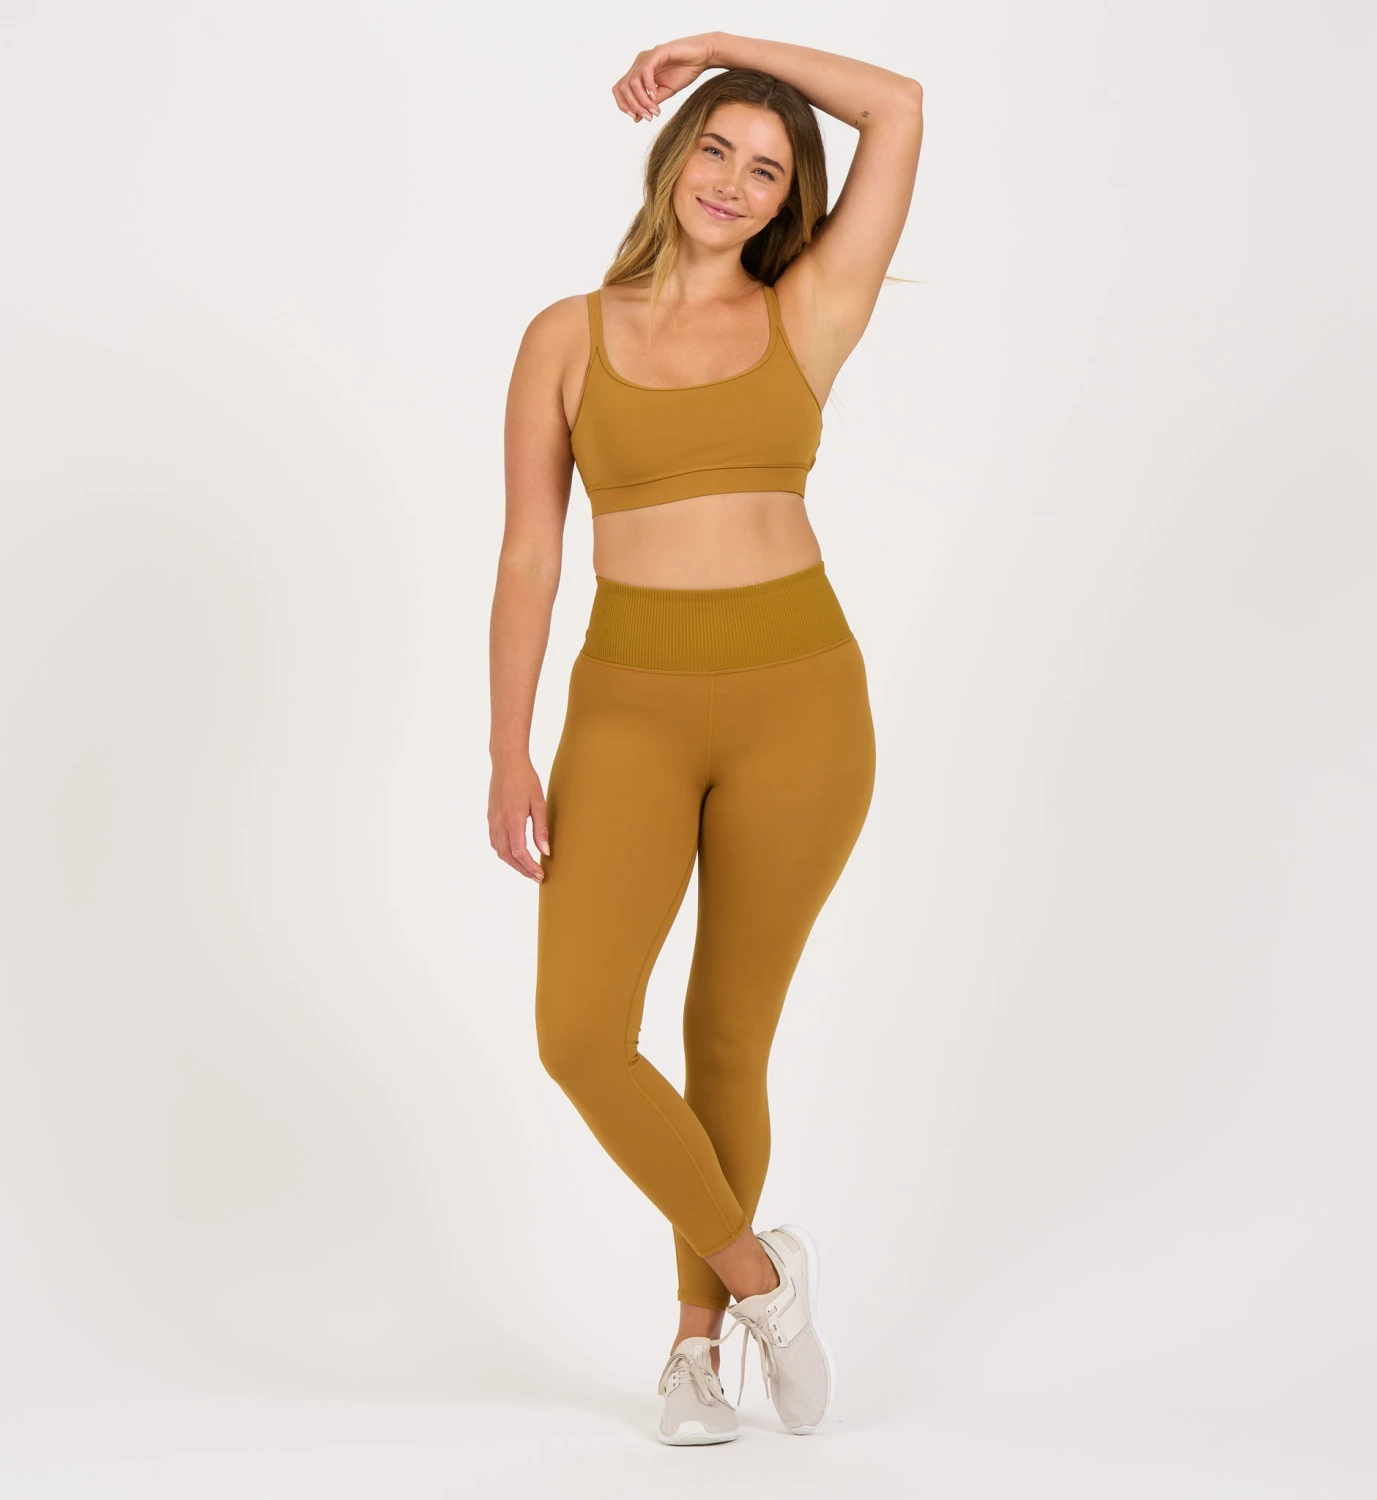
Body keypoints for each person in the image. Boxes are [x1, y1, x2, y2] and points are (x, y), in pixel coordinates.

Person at [487, 31, 922, 1445]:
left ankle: (695, 1355)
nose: (734, 181)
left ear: (792, 200)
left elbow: (900, 106)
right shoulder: (566, 336)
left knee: (725, 1034)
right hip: (627, 706)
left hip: (801, 702)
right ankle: (762, 1284)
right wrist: (508, 746)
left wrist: (722, 46)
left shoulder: (808, 311)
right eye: (717, 147)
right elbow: (531, 556)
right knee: (579, 1033)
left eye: (769, 169)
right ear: (673, 157)